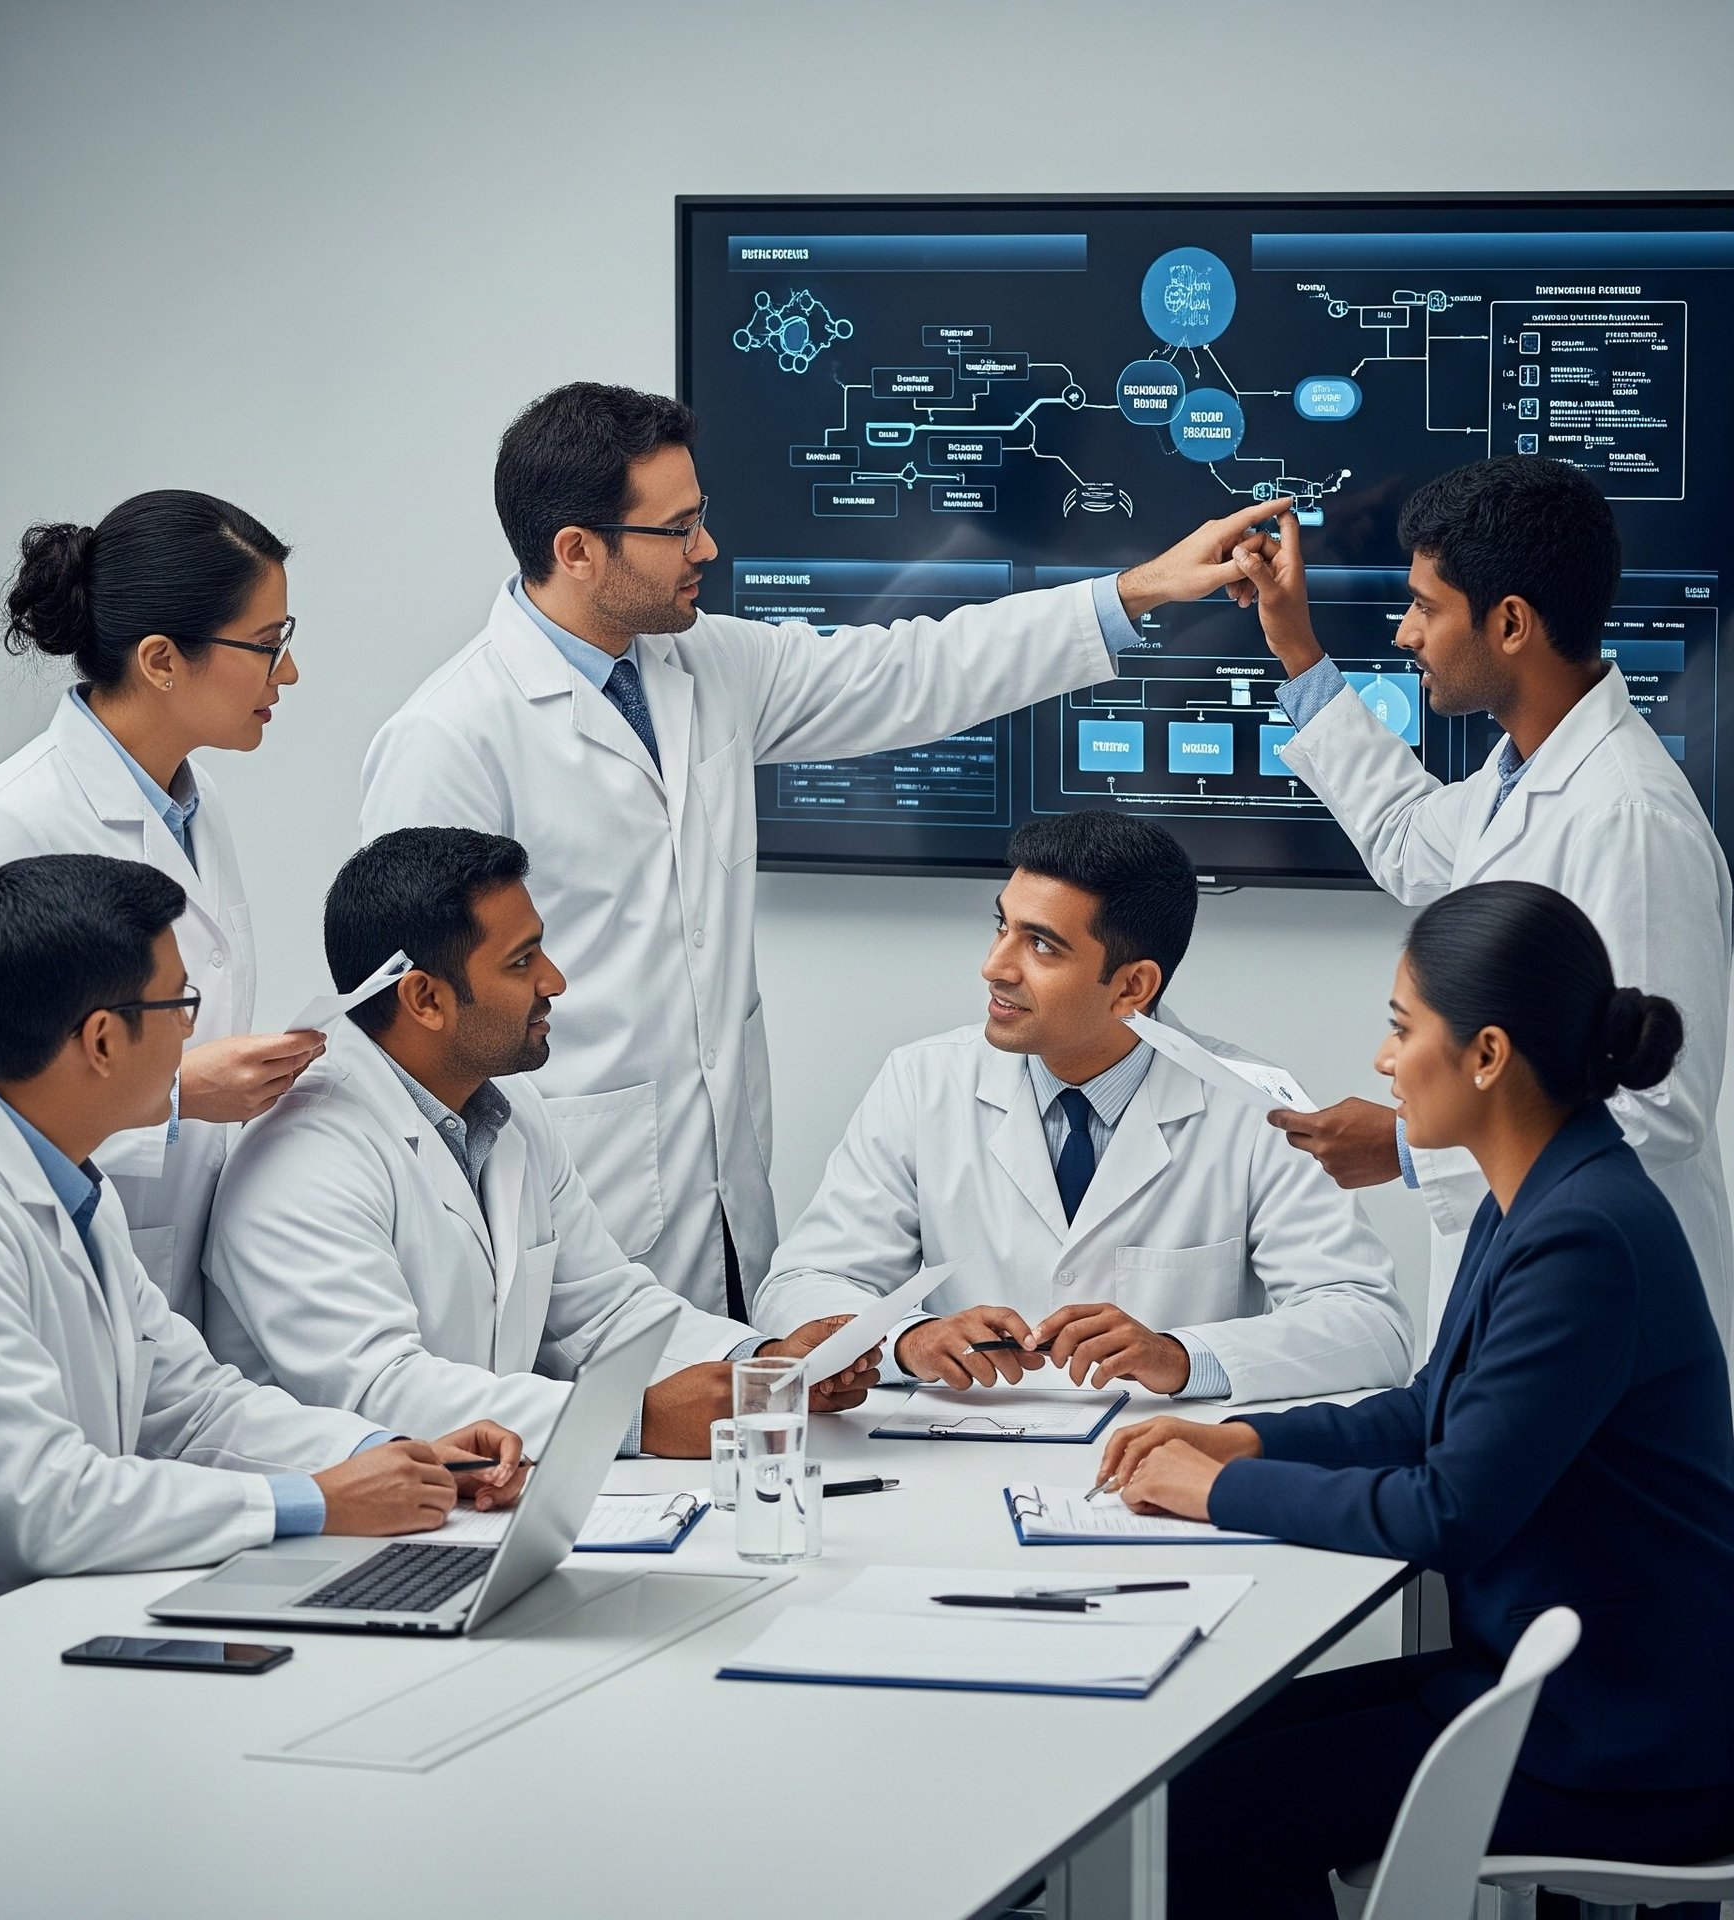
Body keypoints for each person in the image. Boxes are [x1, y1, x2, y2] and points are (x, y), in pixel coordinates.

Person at [361, 381, 1287, 1318]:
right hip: (559, 1210)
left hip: (719, 1200)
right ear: (576, 550)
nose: (707, 550)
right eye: (677, 529)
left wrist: (1135, 592)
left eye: (703, 518)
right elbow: (415, 1025)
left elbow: (912, 671)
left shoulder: (707, 665)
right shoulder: (450, 737)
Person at [1098, 881, 1734, 1917]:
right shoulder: (1537, 1194)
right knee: (1198, 1752)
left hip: (1626, 1741)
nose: (1384, 1061)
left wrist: (1209, 1495)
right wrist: (1238, 1441)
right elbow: (1427, 1407)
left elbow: (1448, 1509)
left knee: (1211, 1808)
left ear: (1486, 1055)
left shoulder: (1584, 1235)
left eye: (1401, 1030)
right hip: (1572, 1685)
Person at [0, 855, 524, 1664]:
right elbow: (36, 1510)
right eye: (181, 1004)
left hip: (49, 1622)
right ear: (104, 1040)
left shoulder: (71, 1181)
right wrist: (315, 1501)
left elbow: (194, 1408)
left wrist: (389, 1454)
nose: (196, 1031)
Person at [1229, 457, 1732, 1348]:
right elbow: (1404, 834)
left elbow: (1661, 1107)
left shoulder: (1629, 816)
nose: (1402, 633)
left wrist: (1410, 1152)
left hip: (1609, 1304)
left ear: (1509, 623)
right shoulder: (1520, 775)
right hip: (1534, 1279)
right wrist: (1296, 648)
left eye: (1424, 606)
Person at [204, 828, 878, 1455]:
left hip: (482, 1497)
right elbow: (383, 1391)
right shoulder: (303, 1156)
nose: (553, 981)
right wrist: (636, 1419)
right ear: (425, 999)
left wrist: (764, 1365)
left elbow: (605, 1309)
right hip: (335, 1526)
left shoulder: (504, 1106)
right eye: (522, 961)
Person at [754, 809, 1413, 1404]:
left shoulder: (1249, 1109)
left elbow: (1371, 1325)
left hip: (1155, 1470)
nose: (995, 966)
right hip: (950, 1466)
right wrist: (907, 1340)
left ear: (1132, 985)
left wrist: (1182, 1357)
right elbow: (799, 1288)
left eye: (1041, 945)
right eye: (1001, 926)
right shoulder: (923, 1082)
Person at [0, 491, 331, 1324]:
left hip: (177, 1279)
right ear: (162, 660)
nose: (289, 673)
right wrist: (170, 1095)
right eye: (269, 647)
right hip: (52, 1281)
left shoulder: (200, 805)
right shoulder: (10, 821)